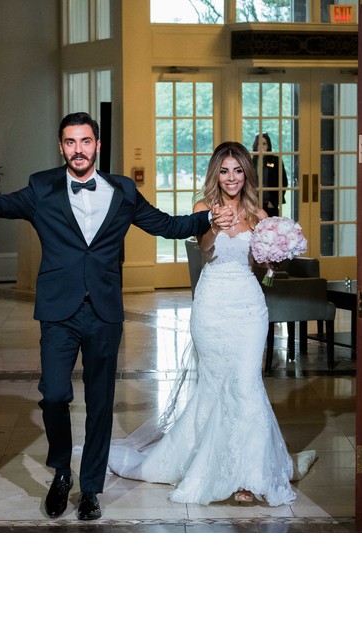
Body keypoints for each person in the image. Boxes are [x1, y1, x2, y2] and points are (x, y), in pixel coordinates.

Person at [0, 112, 233, 520]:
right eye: (69, 142)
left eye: (84, 141)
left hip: (104, 312)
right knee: (55, 394)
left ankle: (92, 489)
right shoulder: (41, 187)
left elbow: (166, 225)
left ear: (97, 145)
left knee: (100, 403)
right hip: (58, 311)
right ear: (60, 146)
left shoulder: (122, 190)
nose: (77, 149)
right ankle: (62, 472)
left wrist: (207, 216)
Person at [107, 141, 316, 506]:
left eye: (238, 170)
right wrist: (214, 225)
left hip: (249, 308)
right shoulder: (204, 208)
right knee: (216, 386)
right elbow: (205, 251)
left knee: (247, 384)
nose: (231, 178)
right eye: (224, 171)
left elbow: (264, 269)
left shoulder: (261, 216)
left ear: (246, 174)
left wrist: (275, 257)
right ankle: (211, 465)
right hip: (212, 306)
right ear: (215, 174)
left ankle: (249, 476)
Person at [251, 133, 288, 217]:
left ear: (268, 146)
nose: (261, 146)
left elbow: (283, 182)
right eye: (258, 144)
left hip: (270, 204)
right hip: (254, 205)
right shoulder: (250, 162)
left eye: (264, 144)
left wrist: (274, 201)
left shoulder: (275, 160)